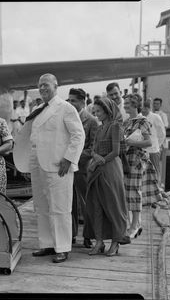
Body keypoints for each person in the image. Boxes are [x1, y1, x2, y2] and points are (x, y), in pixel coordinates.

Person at [20, 73, 85, 263]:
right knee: (42, 207)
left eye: (46, 85)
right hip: (38, 165)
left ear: (56, 86)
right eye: (40, 85)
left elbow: (78, 135)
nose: (42, 88)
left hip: (58, 165)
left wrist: (69, 158)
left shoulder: (65, 108)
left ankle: (62, 247)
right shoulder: (39, 109)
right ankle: (47, 243)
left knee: (60, 207)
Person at [85, 97, 130, 256]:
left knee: (113, 205)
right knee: (96, 205)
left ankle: (116, 242)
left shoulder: (115, 126)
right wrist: (95, 156)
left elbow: (116, 152)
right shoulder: (99, 128)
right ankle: (98, 242)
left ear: (107, 110)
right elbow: (93, 148)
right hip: (96, 169)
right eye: (94, 112)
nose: (96, 114)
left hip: (110, 169)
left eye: (99, 111)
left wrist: (101, 159)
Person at [123, 94, 163, 238]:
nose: (125, 105)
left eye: (127, 103)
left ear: (135, 104)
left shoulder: (142, 121)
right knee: (127, 192)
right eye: (125, 103)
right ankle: (133, 224)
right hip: (126, 160)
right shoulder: (127, 121)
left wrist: (131, 142)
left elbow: (148, 143)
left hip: (137, 161)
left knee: (134, 192)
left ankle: (135, 225)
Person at [67, 88, 98, 248]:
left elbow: (93, 148)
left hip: (83, 168)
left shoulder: (91, 121)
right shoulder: (65, 117)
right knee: (69, 202)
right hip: (67, 168)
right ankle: (70, 235)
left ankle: (88, 236)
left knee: (86, 203)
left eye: (73, 100)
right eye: (69, 100)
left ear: (82, 102)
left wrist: (73, 156)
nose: (70, 103)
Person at [141, 99, 166, 183]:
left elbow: (162, 133)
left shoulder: (156, 117)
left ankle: (157, 189)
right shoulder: (139, 117)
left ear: (149, 108)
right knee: (144, 172)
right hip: (143, 150)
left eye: (145, 108)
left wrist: (157, 145)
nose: (143, 110)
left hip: (154, 150)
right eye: (142, 108)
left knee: (155, 171)